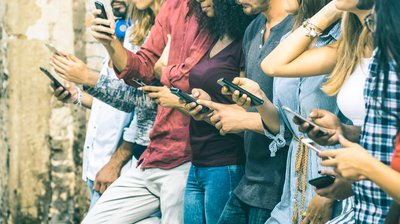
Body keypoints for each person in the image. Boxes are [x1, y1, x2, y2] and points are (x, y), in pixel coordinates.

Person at [53, 0, 215, 222]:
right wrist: (110, 43)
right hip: (152, 154)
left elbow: (153, 94)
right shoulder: (161, 15)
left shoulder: (210, 11)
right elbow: (144, 71)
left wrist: (89, 78)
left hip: (185, 154)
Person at [184, 0, 292, 223]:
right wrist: (213, 106)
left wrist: (243, 120)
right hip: (250, 179)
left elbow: (295, 118)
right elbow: (253, 106)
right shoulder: (253, 28)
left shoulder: (297, 30)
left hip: (278, 184)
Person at [308, 1, 400, 222]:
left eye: (375, 21)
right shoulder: (380, 56)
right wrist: (347, 132)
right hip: (369, 211)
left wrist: (365, 167)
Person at [50, 0, 140, 209]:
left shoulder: (142, 42)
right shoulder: (117, 39)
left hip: (119, 171)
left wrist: (115, 163)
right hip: (97, 165)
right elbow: (112, 103)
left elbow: (144, 111)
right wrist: (76, 96)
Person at [178, 0, 253, 223]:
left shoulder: (243, 43)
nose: (200, 1)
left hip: (226, 163)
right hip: (198, 162)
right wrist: (201, 99)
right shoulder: (213, 38)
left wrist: (211, 105)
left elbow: (248, 108)